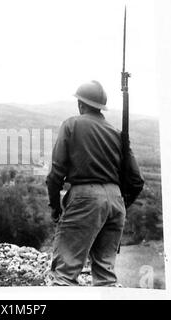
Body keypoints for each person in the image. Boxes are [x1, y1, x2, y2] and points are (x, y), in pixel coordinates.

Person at [46, 80, 144, 286]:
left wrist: (55, 207)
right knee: (105, 276)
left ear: (80, 104)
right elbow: (136, 181)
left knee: (64, 273)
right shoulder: (118, 134)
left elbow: (55, 174)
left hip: (84, 199)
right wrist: (119, 204)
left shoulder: (71, 124)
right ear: (101, 107)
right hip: (116, 202)